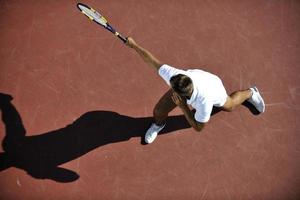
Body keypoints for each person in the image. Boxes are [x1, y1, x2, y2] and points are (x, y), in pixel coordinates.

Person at [126, 37, 265, 144]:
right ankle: (158, 124)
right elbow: (152, 61)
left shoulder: (205, 102)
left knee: (230, 106)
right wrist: (134, 45)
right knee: (158, 111)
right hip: (195, 85)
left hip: (214, 87)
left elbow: (198, 127)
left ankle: (251, 92)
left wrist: (183, 106)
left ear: (180, 93)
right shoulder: (176, 77)